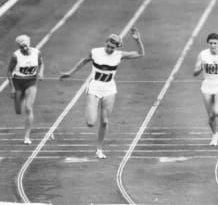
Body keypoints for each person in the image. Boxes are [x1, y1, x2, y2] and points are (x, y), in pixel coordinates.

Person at [60, 28, 144, 159]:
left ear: (116, 47)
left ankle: (99, 149)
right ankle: (90, 108)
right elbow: (83, 61)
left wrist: (138, 40)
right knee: (90, 123)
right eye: (108, 46)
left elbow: (140, 53)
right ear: (105, 43)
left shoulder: (119, 55)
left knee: (104, 121)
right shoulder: (95, 52)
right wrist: (70, 73)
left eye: (113, 47)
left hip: (109, 89)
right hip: (94, 87)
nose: (110, 49)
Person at [7, 35, 44, 145]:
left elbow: (41, 63)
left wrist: (40, 72)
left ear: (29, 44)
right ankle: (20, 98)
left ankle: (27, 137)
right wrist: (12, 88)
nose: (24, 48)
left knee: (28, 108)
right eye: (21, 47)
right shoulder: (15, 56)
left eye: (25, 46)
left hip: (31, 82)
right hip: (18, 82)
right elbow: (9, 72)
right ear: (18, 47)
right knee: (18, 111)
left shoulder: (37, 52)